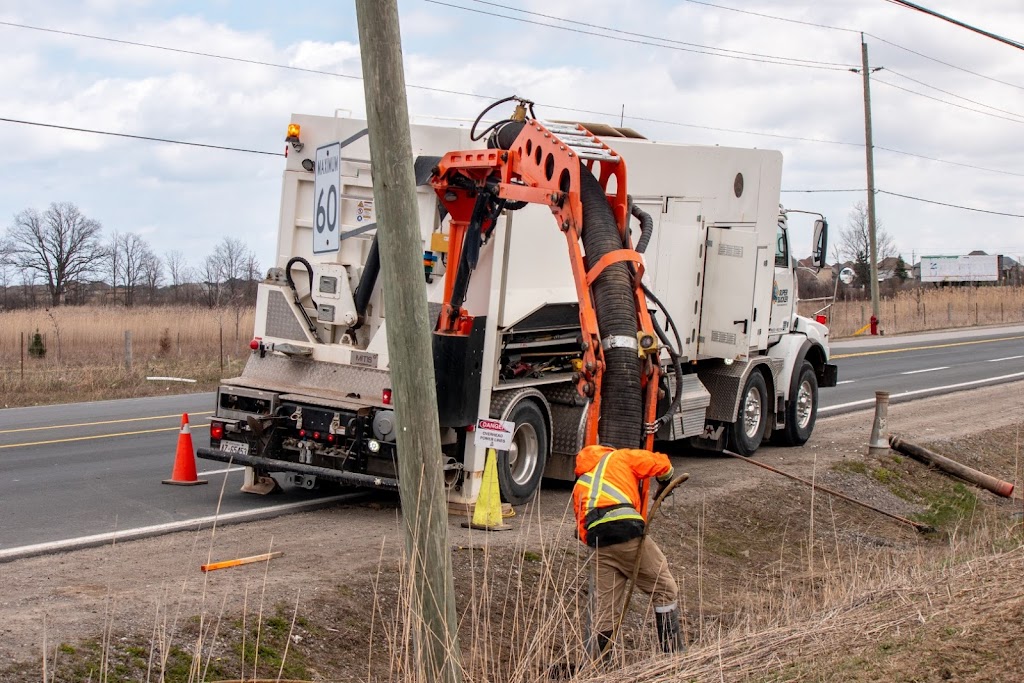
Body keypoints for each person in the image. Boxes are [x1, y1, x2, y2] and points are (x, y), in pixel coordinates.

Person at [572, 442, 685, 657]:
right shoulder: (619, 457)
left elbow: (581, 527)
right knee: (665, 588)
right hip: (626, 531)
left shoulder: (581, 482)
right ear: (608, 451)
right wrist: (666, 481)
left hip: (598, 544)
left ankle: (602, 666)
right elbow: (662, 463)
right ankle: (673, 656)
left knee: (607, 609)